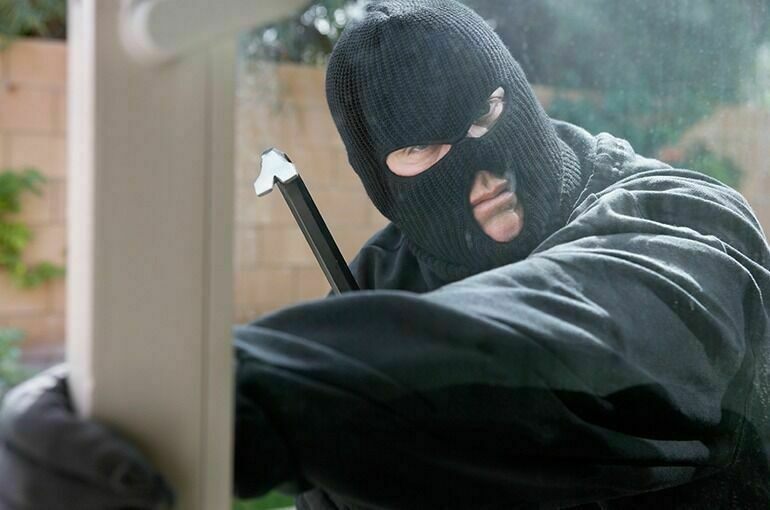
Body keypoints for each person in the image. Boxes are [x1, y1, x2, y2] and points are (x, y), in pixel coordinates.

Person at [2, 1, 769, 508]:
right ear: (378, 176)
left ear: (517, 92)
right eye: (422, 148)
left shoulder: (682, 222)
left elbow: (571, 354)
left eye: (486, 114)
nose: (482, 169)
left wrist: (224, 394)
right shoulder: (379, 280)